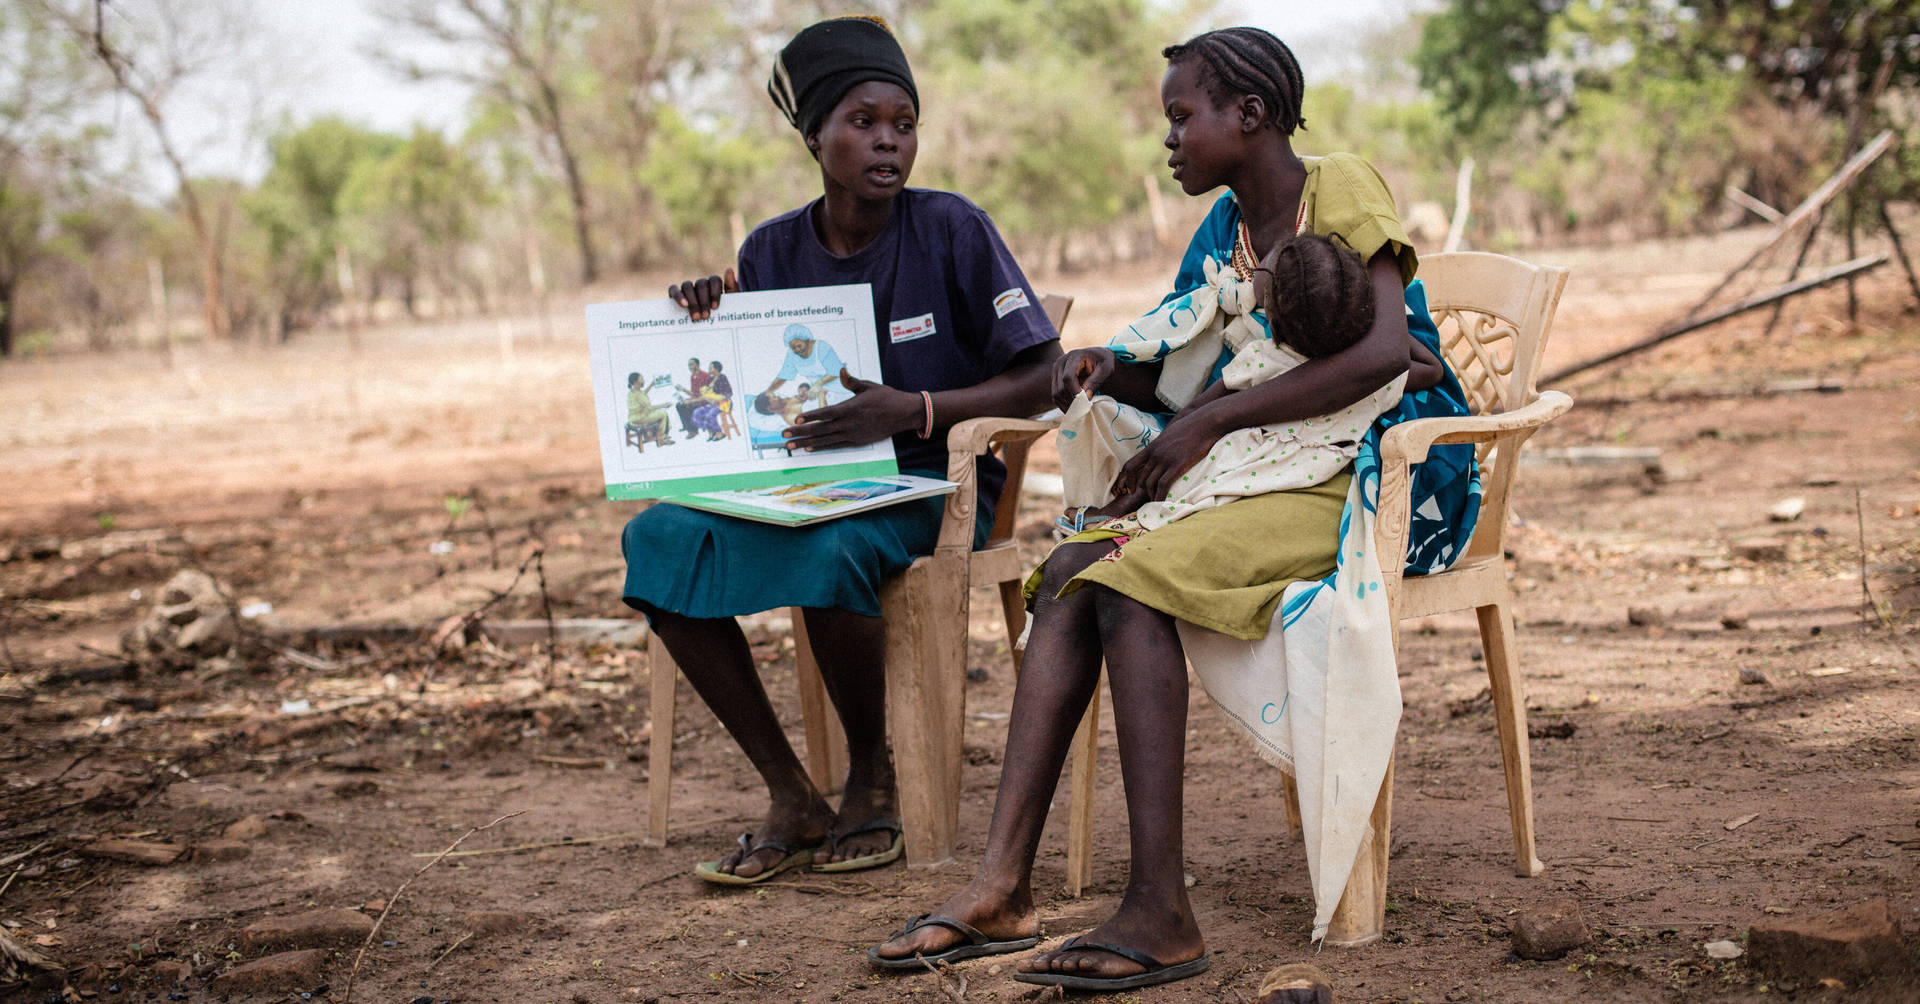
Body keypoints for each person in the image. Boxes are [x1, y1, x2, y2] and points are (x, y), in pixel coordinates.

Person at [871, 26, 1478, 991]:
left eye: (1181, 117)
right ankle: (1000, 887)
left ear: (1252, 114)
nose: (1170, 140)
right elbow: (1185, 363)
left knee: (1130, 577)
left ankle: (1163, 909)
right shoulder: (1221, 230)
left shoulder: (1340, 185)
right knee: (1068, 574)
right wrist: (1114, 368)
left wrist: (1207, 426)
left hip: (1370, 472)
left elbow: (1377, 356)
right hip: (1256, 465)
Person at [623, 15, 1061, 884]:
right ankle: (790, 792)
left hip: (935, 490)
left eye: (904, 123)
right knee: (658, 541)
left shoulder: (951, 229)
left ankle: (870, 772)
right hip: (803, 485)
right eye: (864, 122)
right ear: (815, 134)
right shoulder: (772, 249)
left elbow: (1046, 375)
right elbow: (750, 386)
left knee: (832, 551)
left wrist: (918, 409)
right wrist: (707, 310)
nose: (889, 141)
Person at [626, 372, 672, 448]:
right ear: (635, 382)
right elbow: (649, 407)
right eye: (641, 379)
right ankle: (661, 438)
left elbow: (643, 394)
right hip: (640, 418)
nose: (643, 381)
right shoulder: (638, 394)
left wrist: (651, 385)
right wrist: (664, 405)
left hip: (633, 418)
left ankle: (652, 435)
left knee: (657, 413)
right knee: (663, 414)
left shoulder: (633, 392)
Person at [674, 357, 712, 438]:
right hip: (697, 399)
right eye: (689, 365)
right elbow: (694, 393)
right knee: (679, 405)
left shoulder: (705, 376)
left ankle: (693, 431)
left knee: (688, 406)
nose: (690, 367)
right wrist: (683, 390)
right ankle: (686, 426)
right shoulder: (692, 376)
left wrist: (691, 401)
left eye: (691, 364)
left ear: (697, 365)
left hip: (705, 401)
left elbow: (705, 395)